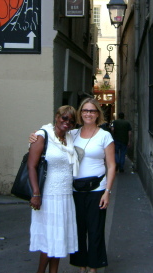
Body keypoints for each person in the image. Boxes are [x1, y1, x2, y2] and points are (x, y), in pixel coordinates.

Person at [29, 98, 116, 273]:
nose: (88, 114)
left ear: (98, 113)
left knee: (95, 230)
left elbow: (112, 165)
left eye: (92, 111)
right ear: (80, 113)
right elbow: (52, 135)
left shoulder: (104, 135)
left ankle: (94, 267)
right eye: (85, 110)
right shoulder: (73, 134)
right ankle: (81, 265)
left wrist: (107, 191)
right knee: (78, 229)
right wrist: (35, 135)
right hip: (74, 190)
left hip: (96, 188)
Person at [28, 105, 78, 273]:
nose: (67, 123)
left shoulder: (70, 138)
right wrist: (36, 193)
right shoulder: (43, 135)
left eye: (71, 121)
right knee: (50, 241)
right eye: (64, 118)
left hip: (65, 196)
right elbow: (31, 166)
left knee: (59, 241)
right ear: (57, 117)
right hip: (48, 196)